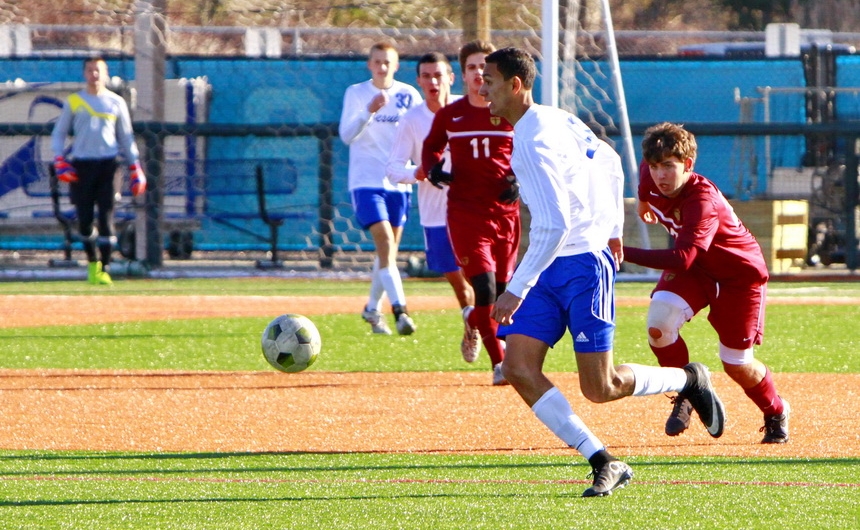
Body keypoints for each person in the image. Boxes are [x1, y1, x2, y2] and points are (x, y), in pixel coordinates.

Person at [480, 47, 727, 497]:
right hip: (553, 263)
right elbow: (610, 160)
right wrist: (613, 228)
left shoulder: (535, 140)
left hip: (580, 267)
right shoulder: (554, 119)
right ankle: (603, 460)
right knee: (517, 367)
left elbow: (554, 224)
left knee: (601, 386)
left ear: (515, 85)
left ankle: (688, 379)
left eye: (489, 81)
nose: (482, 89)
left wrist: (517, 286)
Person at [623, 122, 790, 444]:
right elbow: (646, 180)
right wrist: (643, 200)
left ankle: (776, 410)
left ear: (688, 164)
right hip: (698, 270)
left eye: (668, 166)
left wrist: (621, 253)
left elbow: (682, 257)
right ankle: (688, 389)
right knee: (659, 327)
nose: (660, 174)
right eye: (655, 167)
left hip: (738, 277)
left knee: (737, 363)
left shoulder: (701, 200)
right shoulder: (650, 172)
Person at [422, 40, 519, 385]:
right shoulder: (451, 115)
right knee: (486, 290)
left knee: (504, 294)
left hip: (505, 215)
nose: (479, 74)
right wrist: (432, 168)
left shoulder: (511, 114)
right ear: (462, 75)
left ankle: (474, 320)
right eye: (472, 67)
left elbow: (530, 151)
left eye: (485, 68)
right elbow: (431, 146)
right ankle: (500, 365)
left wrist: (519, 179)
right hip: (465, 214)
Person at [385, 52, 479, 359]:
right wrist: (419, 172)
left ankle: (496, 342)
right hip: (436, 215)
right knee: (459, 283)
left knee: (482, 278)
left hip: (474, 210)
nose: (433, 82)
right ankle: (472, 322)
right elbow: (393, 168)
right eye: (426, 76)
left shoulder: (471, 110)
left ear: (451, 78)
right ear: (418, 81)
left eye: (438, 75)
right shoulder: (412, 120)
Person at [339, 42, 422, 336]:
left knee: (388, 253)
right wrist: (368, 111)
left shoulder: (409, 95)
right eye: (377, 61)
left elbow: (420, 133)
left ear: (396, 66)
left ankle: (372, 309)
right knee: (385, 243)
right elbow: (346, 135)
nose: (382, 67)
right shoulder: (356, 93)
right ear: (369, 64)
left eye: (387, 62)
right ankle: (400, 311)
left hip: (399, 183)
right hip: (367, 182)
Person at [51, 56, 146, 285]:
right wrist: (59, 159)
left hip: (108, 166)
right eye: (90, 70)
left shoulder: (116, 102)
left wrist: (135, 167)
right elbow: (59, 133)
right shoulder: (74, 101)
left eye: (98, 70)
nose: (94, 74)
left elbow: (126, 137)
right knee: (84, 220)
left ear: (105, 73)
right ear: (84, 73)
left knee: (106, 216)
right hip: (82, 166)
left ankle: (105, 267)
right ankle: (92, 262)